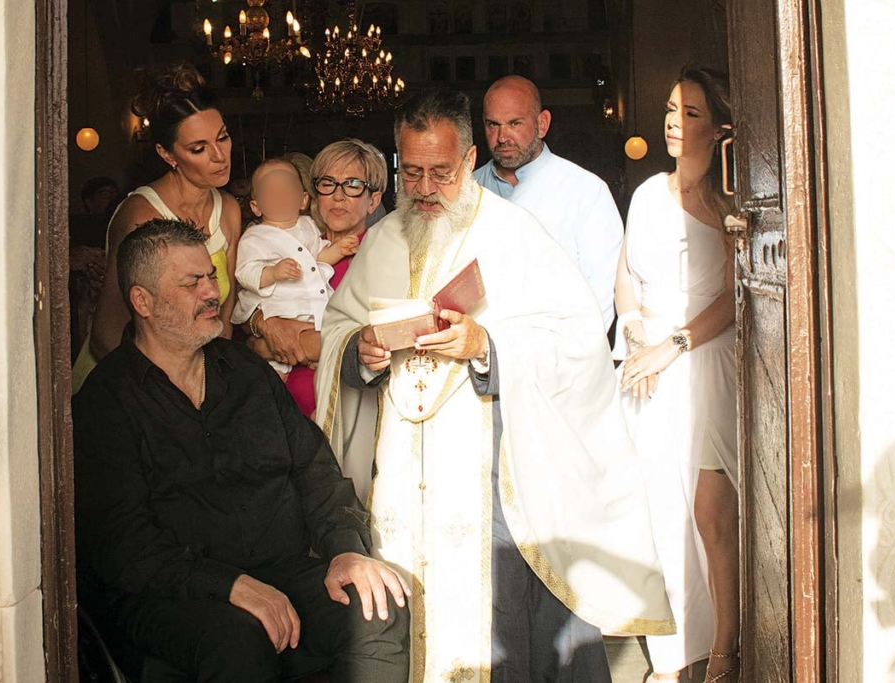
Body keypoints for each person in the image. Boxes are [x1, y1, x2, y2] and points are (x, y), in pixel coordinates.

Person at [316, 87, 674, 682]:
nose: (425, 188)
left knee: (501, 624)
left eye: (441, 172)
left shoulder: (514, 235)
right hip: (400, 482)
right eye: (412, 173)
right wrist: (362, 350)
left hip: (492, 474)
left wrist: (486, 346)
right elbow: (336, 332)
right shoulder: (382, 239)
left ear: (468, 158)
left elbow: (577, 341)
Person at [74, 218, 410, 683]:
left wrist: (345, 552)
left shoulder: (247, 371)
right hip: (173, 594)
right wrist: (229, 585)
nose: (211, 292)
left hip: (282, 573)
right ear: (142, 302)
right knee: (238, 640)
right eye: (191, 283)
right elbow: (124, 546)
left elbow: (315, 473)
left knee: (377, 608)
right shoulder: (106, 400)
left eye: (211, 276)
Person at [613, 66, 739, 683]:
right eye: (670, 109)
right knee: (658, 509)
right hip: (650, 365)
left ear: (718, 130)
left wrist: (672, 345)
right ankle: (674, 654)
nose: (673, 122)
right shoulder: (645, 194)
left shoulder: (727, 202)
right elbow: (625, 278)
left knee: (709, 513)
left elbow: (737, 294)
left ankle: (725, 650)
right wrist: (639, 338)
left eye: (690, 113)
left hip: (705, 360)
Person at [71, 63, 240, 394]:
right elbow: (107, 334)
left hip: (195, 382)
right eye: (198, 148)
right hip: (129, 384)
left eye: (223, 137)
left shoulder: (229, 209)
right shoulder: (140, 215)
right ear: (167, 154)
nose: (220, 156)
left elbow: (223, 320)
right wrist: (162, 401)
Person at [244, 139, 387, 423]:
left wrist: (267, 344)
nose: (338, 196)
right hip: (281, 409)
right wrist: (262, 324)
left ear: (373, 201)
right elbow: (247, 307)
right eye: (328, 184)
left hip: (341, 411)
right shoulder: (291, 247)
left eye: (353, 185)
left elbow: (370, 343)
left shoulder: (378, 256)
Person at [473, 75, 623, 334]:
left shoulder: (586, 191)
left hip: (562, 351)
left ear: (542, 124)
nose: (502, 137)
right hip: (480, 350)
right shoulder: (468, 190)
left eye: (514, 123)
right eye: (492, 124)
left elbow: (601, 296)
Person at [232, 158, 360, 381]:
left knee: (326, 373)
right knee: (275, 377)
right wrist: (273, 273)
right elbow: (245, 273)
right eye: (270, 191)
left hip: (317, 311)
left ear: (303, 199)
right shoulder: (255, 237)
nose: (280, 195)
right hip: (282, 310)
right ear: (256, 206)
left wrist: (339, 250)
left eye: (287, 188)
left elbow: (318, 257)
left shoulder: (308, 226)